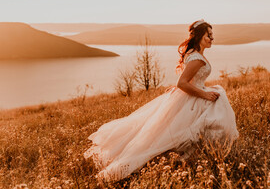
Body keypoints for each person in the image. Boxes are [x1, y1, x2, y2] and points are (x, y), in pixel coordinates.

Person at [84, 20, 239, 181]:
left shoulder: (193, 53)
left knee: (169, 133)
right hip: (193, 98)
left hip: (189, 95)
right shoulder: (197, 58)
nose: (212, 39)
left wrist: (189, 89)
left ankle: (192, 161)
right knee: (173, 134)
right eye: (209, 35)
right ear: (200, 36)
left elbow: (187, 81)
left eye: (212, 35)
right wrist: (204, 94)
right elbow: (183, 83)